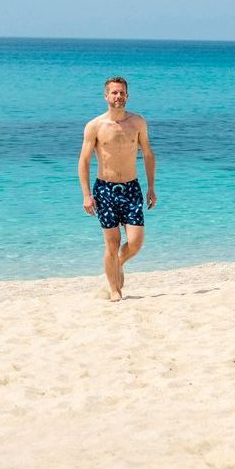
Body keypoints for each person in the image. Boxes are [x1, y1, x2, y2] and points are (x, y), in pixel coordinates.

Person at [78, 76, 157, 302]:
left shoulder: (138, 122)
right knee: (111, 242)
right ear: (106, 96)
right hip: (105, 189)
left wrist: (151, 187)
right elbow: (83, 161)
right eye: (114, 93)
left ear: (127, 95)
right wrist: (86, 195)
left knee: (135, 242)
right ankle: (114, 291)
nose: (118, 96)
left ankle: (118, 264)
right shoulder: (95, 126)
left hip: (132, 188)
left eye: (122, 92)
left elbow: (148, 154)